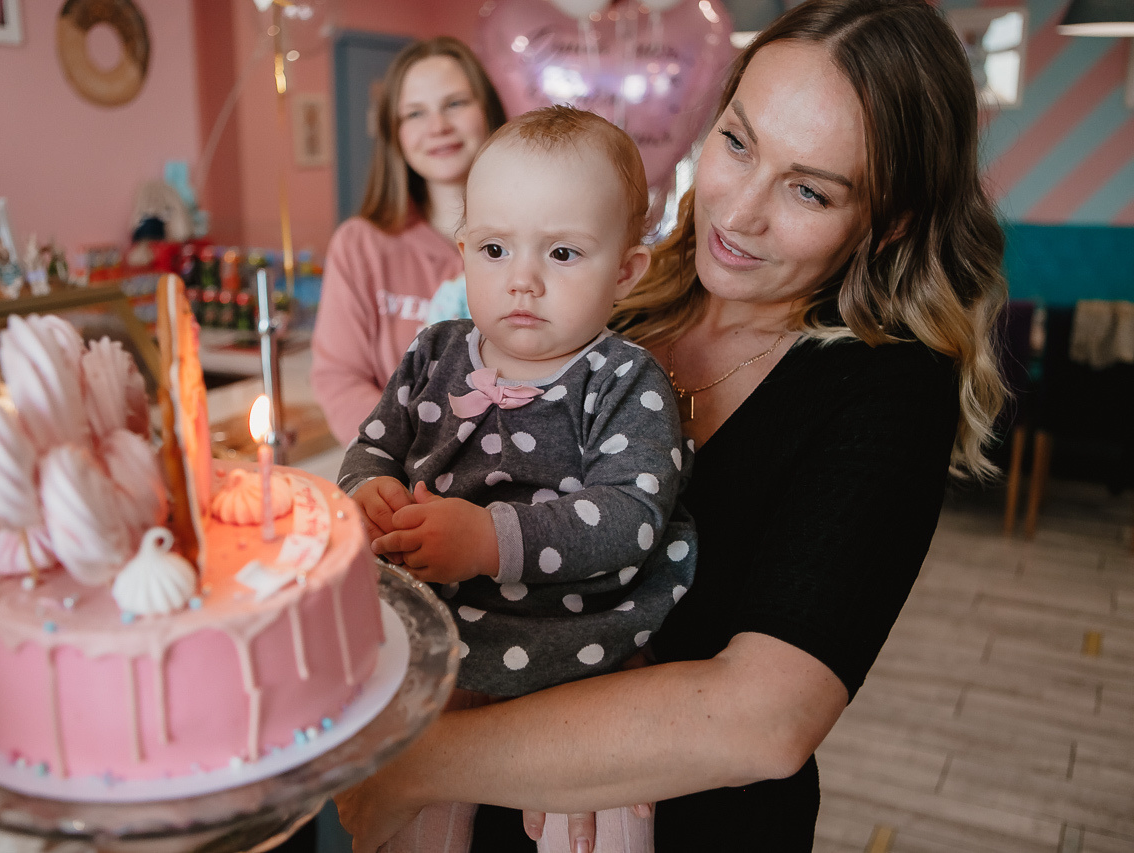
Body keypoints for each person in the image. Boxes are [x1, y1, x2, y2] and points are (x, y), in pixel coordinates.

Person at [334, 0, 1007, 850]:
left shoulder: (885, 386)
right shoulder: (613, 293)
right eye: (737, 140)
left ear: (894, 217)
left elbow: (762, 718)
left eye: (808, 188)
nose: (740, 210)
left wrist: (414, 763)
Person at [338, 106, 697, 853]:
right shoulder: (433, 354)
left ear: (626, 270)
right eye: (496, 248)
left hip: (583, 651)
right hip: (438, 639)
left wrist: (488, 539)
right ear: (462, 247)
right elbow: (372, 447)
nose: (523, 280)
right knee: (412, 818)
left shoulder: (626, 379)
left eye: (563, 253)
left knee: (602, 828)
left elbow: (632, 513)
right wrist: (367, 493)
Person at [312, 37, 507, 446]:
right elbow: (341, 379)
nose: (438, 126)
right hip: (396, 480)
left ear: (488, 110)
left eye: (455, 103)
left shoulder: (537, 241)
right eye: (415, 113)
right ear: (394, 133)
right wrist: (404, 460)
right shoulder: (359, 245)